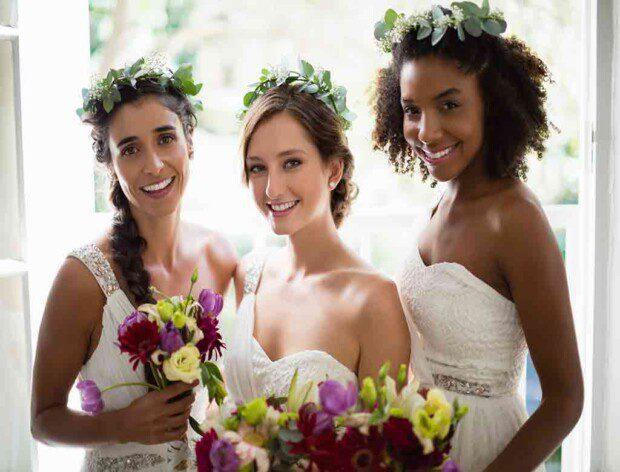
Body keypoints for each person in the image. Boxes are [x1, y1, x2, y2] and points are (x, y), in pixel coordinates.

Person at [372, 4, 584, 470]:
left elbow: (566, 401)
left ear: (493, 100)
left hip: (488, 450)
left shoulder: (516, 219)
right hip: (422, 447)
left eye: (449, 105)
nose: (426, 130)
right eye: (412, 110)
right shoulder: (440, 203)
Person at [30, 56, 236, 471]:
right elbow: (42, 421)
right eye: (130, 149)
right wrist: (121, 425)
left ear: (189, 142)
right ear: (110, 165)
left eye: (165, 139)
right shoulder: (83, 279)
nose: (154, 165)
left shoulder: (220, 255)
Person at [224, 62, 411, 404]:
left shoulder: (374, 300)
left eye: (291, 162)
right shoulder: (248, 275)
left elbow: (384, 450)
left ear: (334, 169)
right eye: (258, 168)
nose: (271, 189)